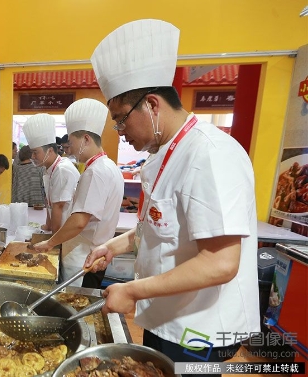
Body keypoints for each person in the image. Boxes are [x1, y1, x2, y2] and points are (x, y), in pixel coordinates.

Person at [84, 19, 259, 371]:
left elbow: (221, 263)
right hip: (166, 316)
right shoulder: (165, 154)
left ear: (152, 105)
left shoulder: (209, 154)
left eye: (120, 121)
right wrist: (114, 246)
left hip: (199, 330)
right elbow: (162, 226)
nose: (119, 133)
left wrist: (132, 291)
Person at [32, 99, 124, 288]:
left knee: (75, 308)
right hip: (89, 253)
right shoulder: (107, 166)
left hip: (83, 259)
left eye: (72, 143)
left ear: (86, 140)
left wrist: (50, 243)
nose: (70, 149)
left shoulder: (95, 172)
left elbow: (79, 221)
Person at [23, 113, 79, 233]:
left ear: (50, 150)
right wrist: (48, 226)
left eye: (35, 152)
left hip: (66, 232)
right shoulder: (51, 168)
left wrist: (53, 240)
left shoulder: (62, 169)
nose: (32, 157)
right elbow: (51, 204)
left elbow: (58, 206)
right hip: (60, 229)